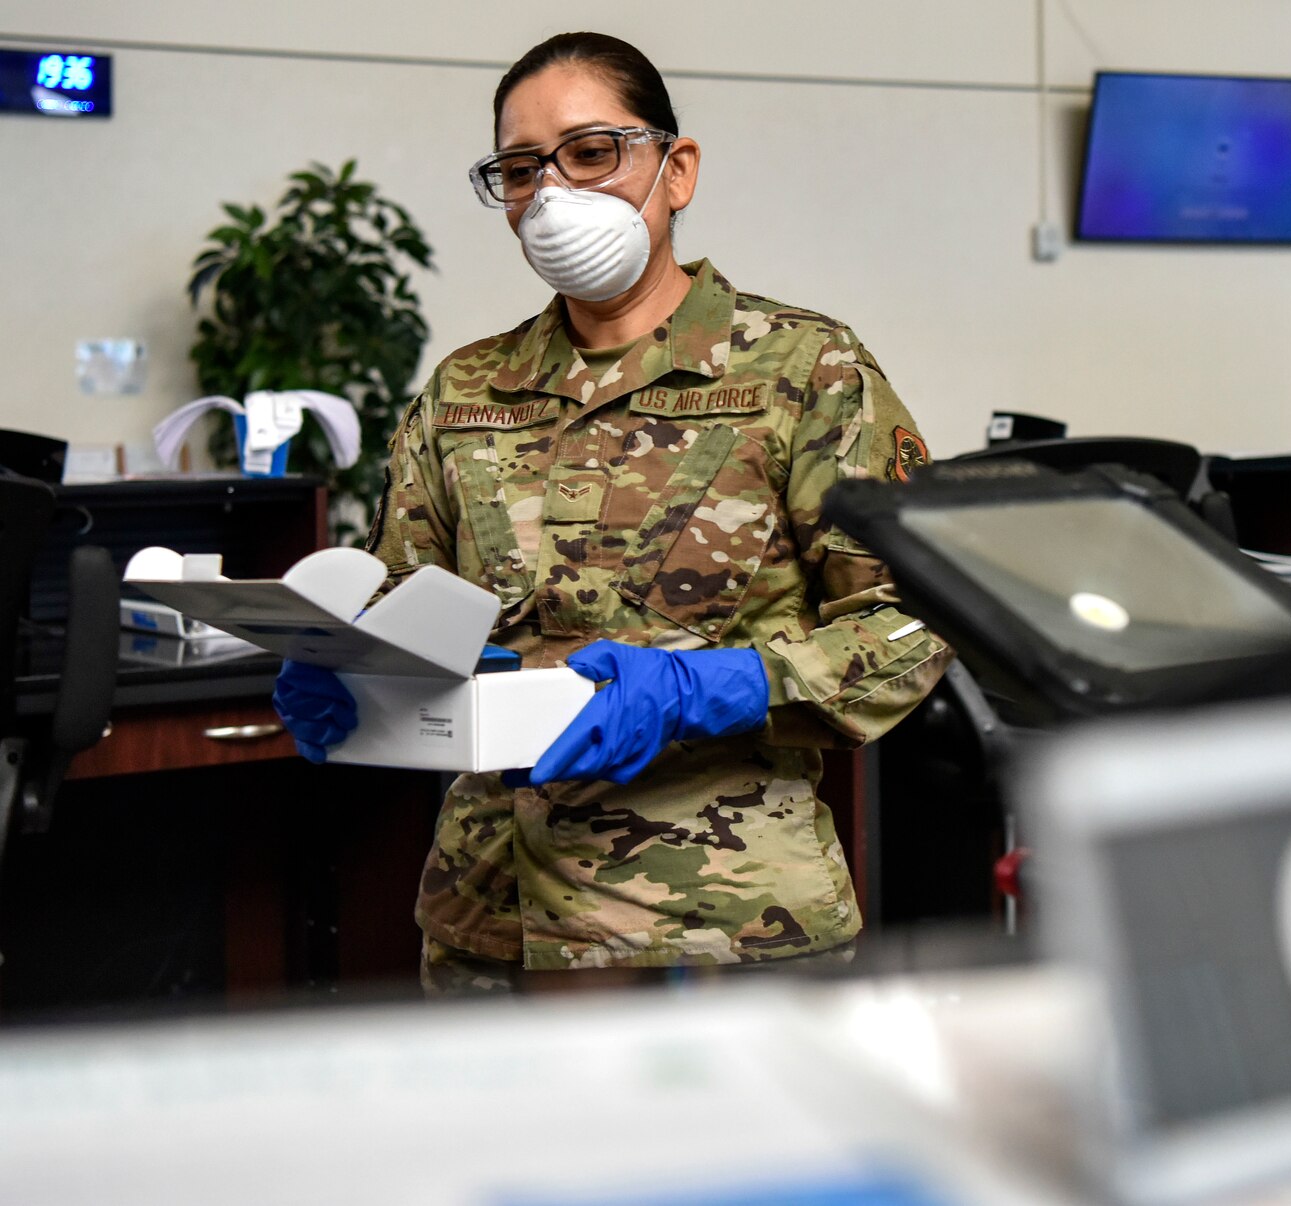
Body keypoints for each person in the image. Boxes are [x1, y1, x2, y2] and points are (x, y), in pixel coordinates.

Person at [271, 31, 951, 992]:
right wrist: (352, 674)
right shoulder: (466, 390)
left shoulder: (804, 371)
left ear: (676, 171)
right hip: (487, 926)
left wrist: (720, 688)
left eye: (592, 153)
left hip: (718, 933)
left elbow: (921, 616)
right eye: (520, 169)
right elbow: (403, 605)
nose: (553, 194)